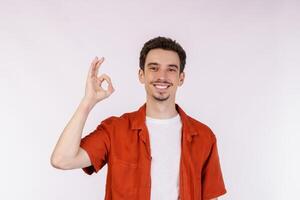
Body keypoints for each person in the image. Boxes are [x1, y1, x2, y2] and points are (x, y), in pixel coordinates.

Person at [50, 36, 227, 200]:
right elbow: (62, 160)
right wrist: (87, 102)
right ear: (141, 75)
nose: (162, 76)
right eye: (154, 68)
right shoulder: (115, 130)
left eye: (171, 69)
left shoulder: (204, 136)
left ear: (181, 78)